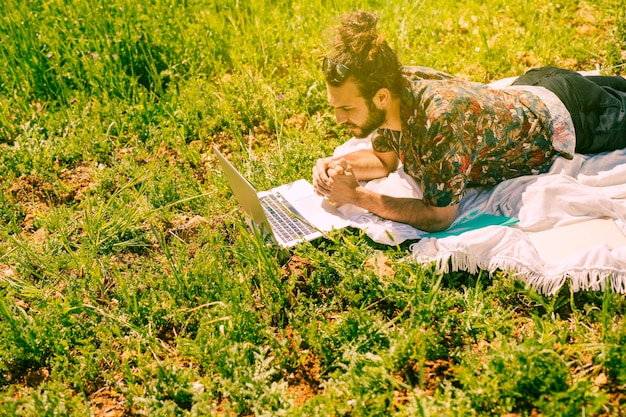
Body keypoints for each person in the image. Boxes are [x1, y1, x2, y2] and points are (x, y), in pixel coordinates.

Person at [312, 11, 626, 232]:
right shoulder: (391, 88)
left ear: (380, 97)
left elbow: (438, 218)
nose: (340, 119)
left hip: (577, 114)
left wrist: (357, 197)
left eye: (347, 109)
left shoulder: (438, 120)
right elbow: (382, 160)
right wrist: (337, 166)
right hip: (537, 86)